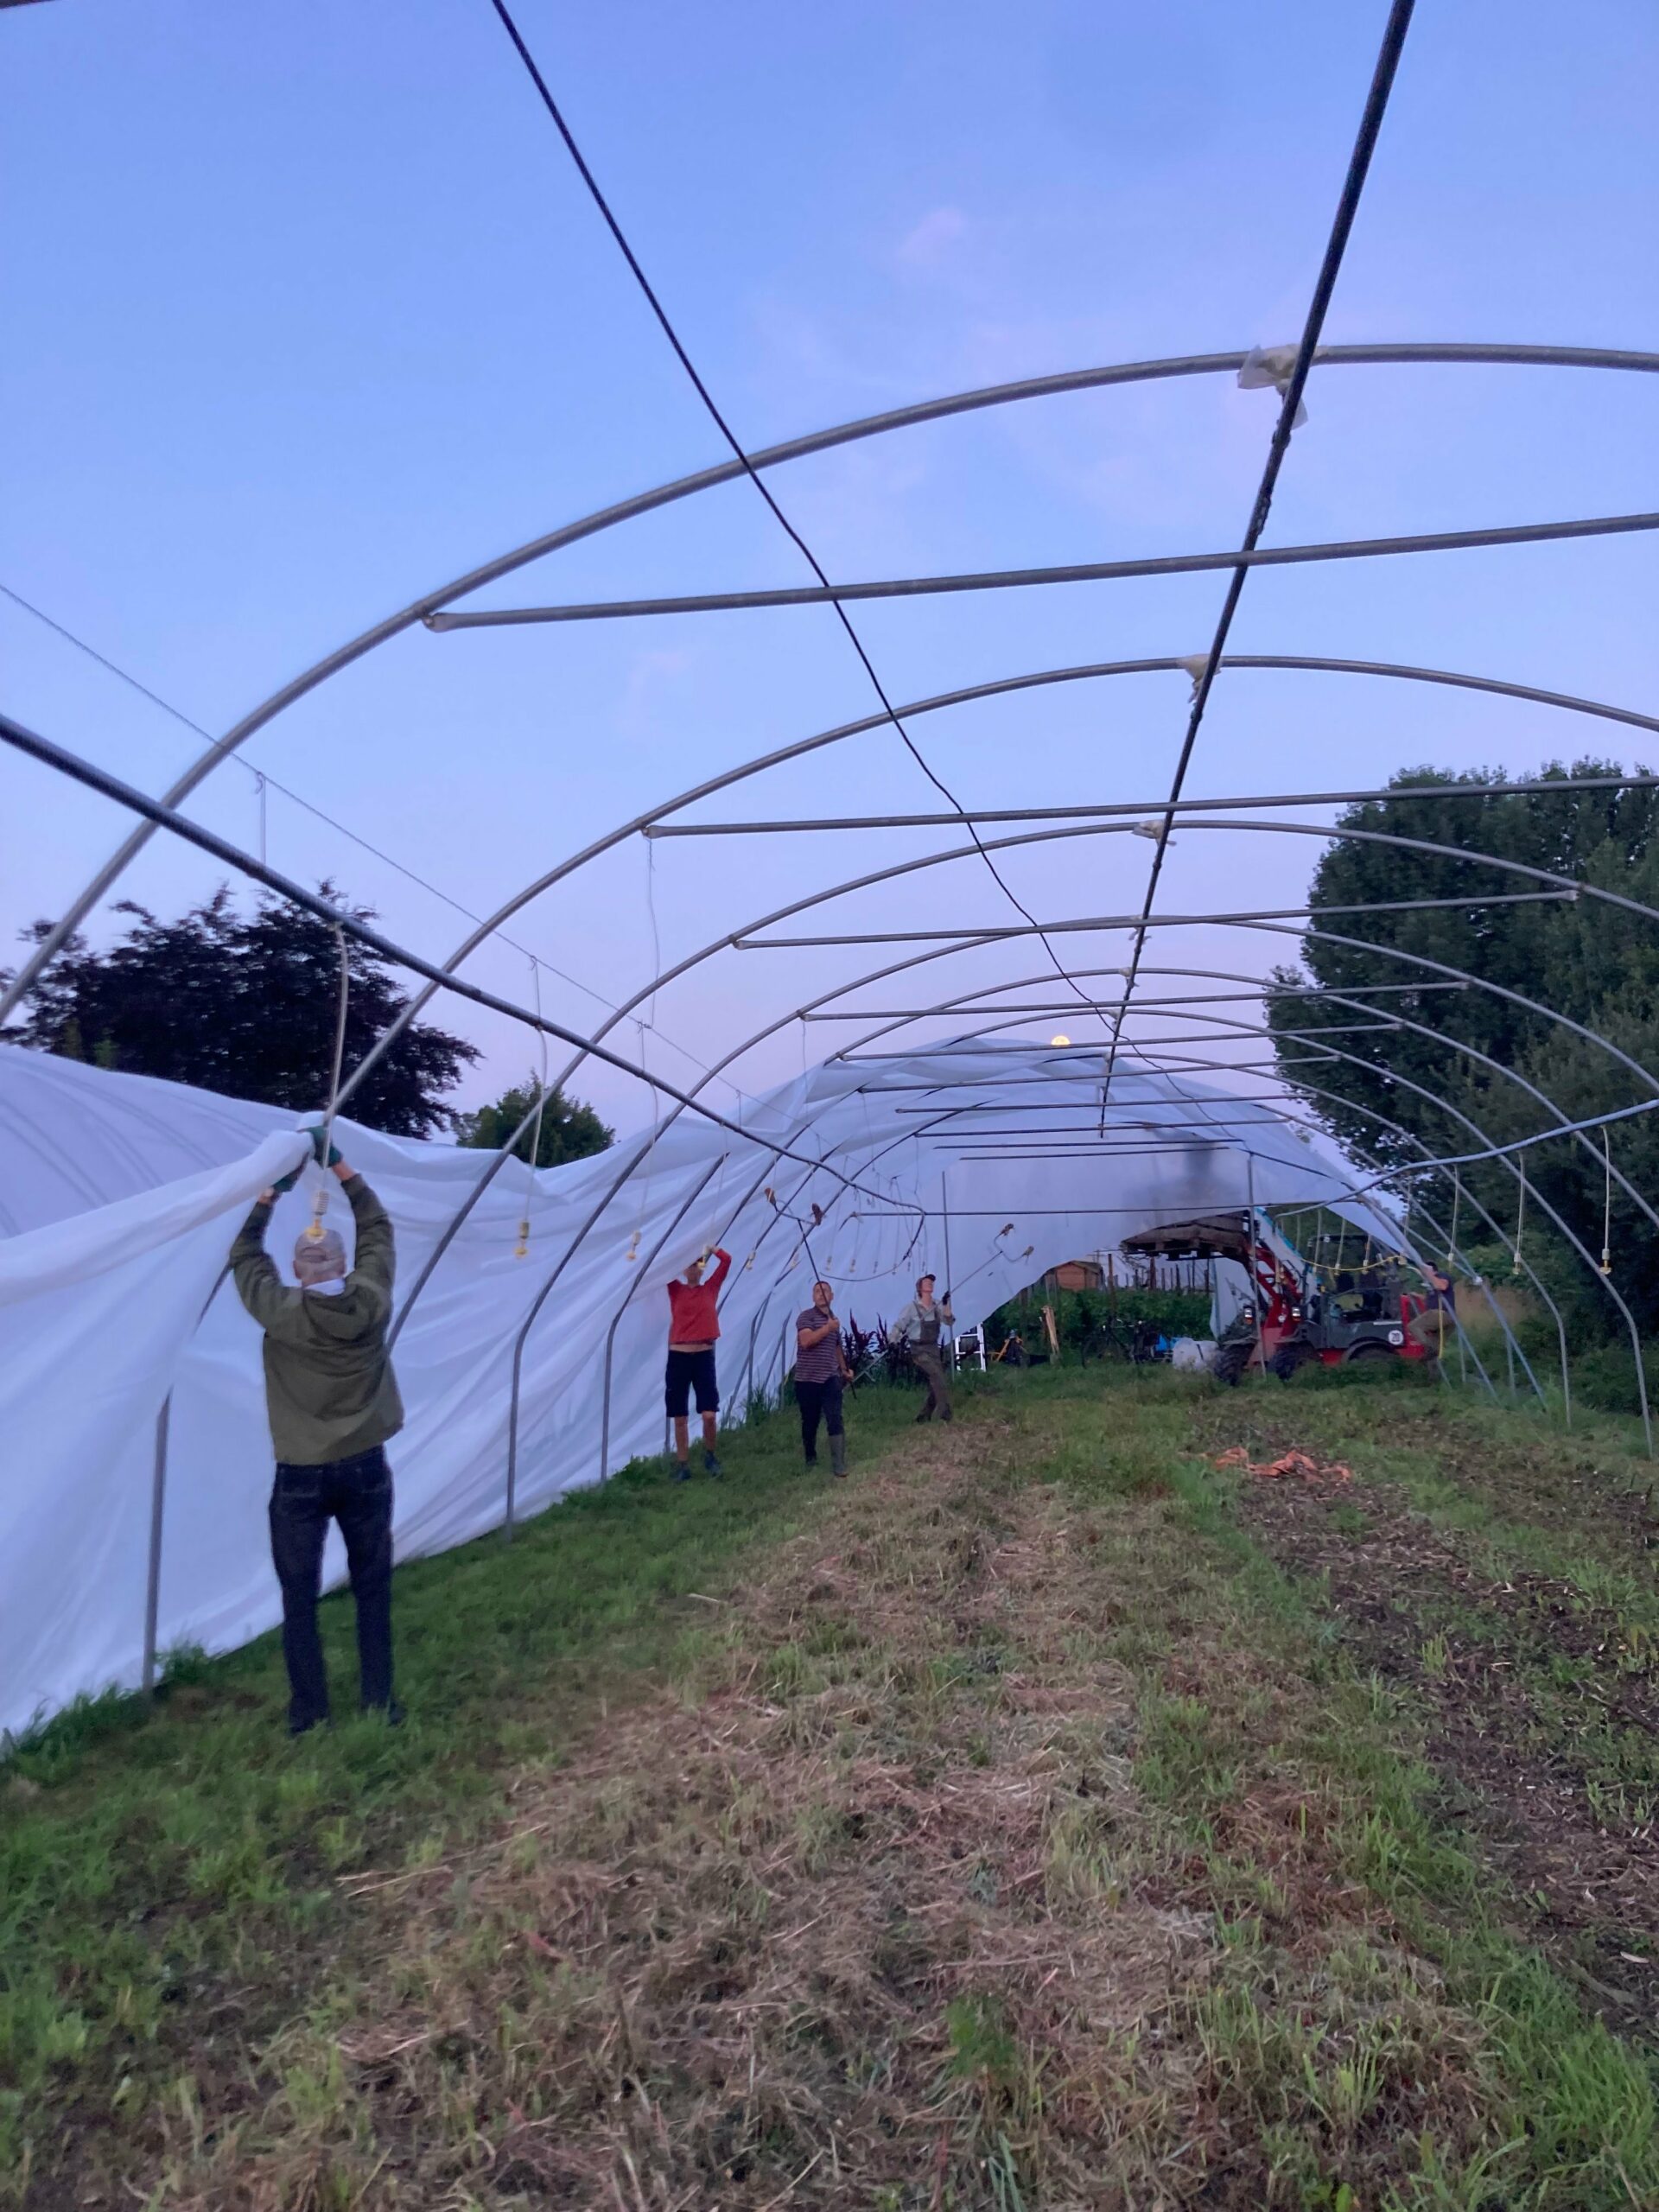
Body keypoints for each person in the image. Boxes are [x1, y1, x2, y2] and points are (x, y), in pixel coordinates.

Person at [231, 1144, 404, 1736]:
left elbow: (243, 1253)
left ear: (297, 1270)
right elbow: (378, 1228)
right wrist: (342, 1169)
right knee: (372, 1587)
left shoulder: (282, 1312)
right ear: (344, 1262)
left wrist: (269, 1194)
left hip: (301, 1474)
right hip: (365, 1467)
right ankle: (379, 1702)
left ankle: (310, 1715)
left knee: (299, 1597)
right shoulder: (371, 1300)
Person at [665, 1246, 731, 1480]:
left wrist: (711, 1247)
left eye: (697, 1265)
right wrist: (680, 1250)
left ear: (702, 1269)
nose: (693, 1269)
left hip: (703, 1356)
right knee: (679, 1416)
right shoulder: (676, 1290)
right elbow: (663, 1267)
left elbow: (726, 1261)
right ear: (684, 1270)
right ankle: (683, 1465)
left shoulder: (710, 1289)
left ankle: (710, 1456)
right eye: (689, 1265)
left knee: (709, 1414)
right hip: (679, 1356)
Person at [795, 1279, 853, 1475]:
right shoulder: (806, 1317)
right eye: (817, 1291)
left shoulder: (833, 1320)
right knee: (810, 1421)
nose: (821, 1294)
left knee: (835, 1417)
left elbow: (836, 1347)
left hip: (830, 1377)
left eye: (825, 1291)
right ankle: (810, 1456)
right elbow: (806, 1341)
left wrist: (844, 1370)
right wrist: (828, 1328)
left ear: (832, 1296)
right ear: (813, 1297)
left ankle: (839, 1463)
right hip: (807, 1379)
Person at [893, 1273, 956, 1423]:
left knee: (936, 1382)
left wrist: (946, 1304)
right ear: (919, 1288)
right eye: (926, 1282)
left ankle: (924, 1416)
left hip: (933, 1348)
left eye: (931, 1282)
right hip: (918, 1349)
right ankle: (945, 1413)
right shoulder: (911, 1308)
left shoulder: (937, 1305)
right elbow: (899, 1325)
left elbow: (949, 1321)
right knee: (937, 1377)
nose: (930, 1284)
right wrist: (893, 1340)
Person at [1407, 1263, 1457, 1357]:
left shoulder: (1441, 1276)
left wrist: (1429, 1274)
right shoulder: (1432, 1284)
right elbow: (1429, 1299)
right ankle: (1433, 1357)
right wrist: (1416, 1295)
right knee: (1436, 1345)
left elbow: (1442, 1286)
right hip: (1448, 1319)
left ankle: (1430, 1348)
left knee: (1413, 1326)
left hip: (1441, 1314)